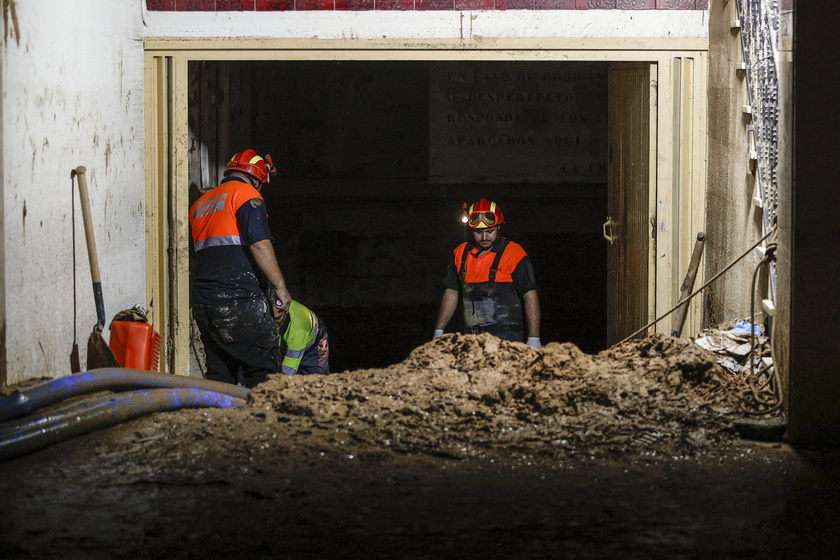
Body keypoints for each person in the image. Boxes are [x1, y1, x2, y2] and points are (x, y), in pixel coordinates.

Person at [189, 149, 292, 386]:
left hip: (205, 302)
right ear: (257, 178)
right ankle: (261, 421)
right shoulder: (246, 194)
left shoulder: (200, 204)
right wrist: (280, 288)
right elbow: (259, 244)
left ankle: (215, 419)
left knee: (221, 372)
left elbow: (197, 255)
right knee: (264, 371)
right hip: (238, 299)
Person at [433, 198, 542, 348]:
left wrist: (534, 338)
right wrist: (439, 331)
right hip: (472, 344)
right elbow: (452, 291)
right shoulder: (460, 253)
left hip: (507, 344)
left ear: (498, 227)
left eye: (489, 231)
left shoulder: (514, 253)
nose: (484, 237)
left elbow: (529, 295)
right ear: (471, 230)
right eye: (479, 232)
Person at [271, 299, 331, 375]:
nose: (273, 323)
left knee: (318, 379)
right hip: (286, 338)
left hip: (314, 345)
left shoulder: (298, 330)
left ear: (286, 311)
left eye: (277, 319)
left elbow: (289, 367)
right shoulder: (278, 301)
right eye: (270, 318)